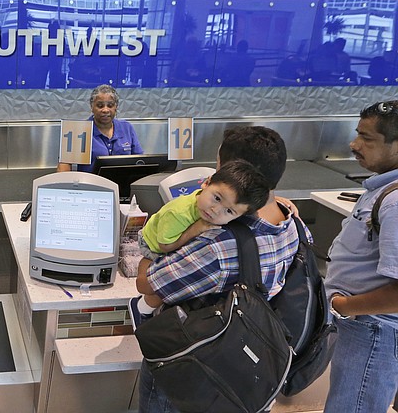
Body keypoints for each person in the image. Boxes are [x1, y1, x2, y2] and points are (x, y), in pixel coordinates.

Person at [135, 126, 309, 412]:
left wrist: (149, 251)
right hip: (250, 370)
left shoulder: (217, 245)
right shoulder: (294, 223)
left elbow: (148, 284)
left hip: (194, 372)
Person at [323, 100, 398, 413]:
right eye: (358, 135)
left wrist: (344, 306)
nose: (355, 145)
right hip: (363, 326)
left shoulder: (394, 204)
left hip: (373, 330)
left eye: (368, 139)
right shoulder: (380, 187)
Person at [130, 159, 270, 325]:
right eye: (217, 198)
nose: (216, 210)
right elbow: (164, 246)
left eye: (229, 211)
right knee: (164, 289)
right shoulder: (178, 213)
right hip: (155, 244)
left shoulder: (217, 206)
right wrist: (195, 230)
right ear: (206, 182)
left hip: (174, 238)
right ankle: (140, 309)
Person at [56, 84, 144, 173]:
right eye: (100, 106)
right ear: (92, 107)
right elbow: (64, 167)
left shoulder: (126, 128)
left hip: (122, 184)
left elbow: (141, 162)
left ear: (116, 107)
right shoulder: (79, 130)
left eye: (110, 105)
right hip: (91, 185)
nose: (105, 110)